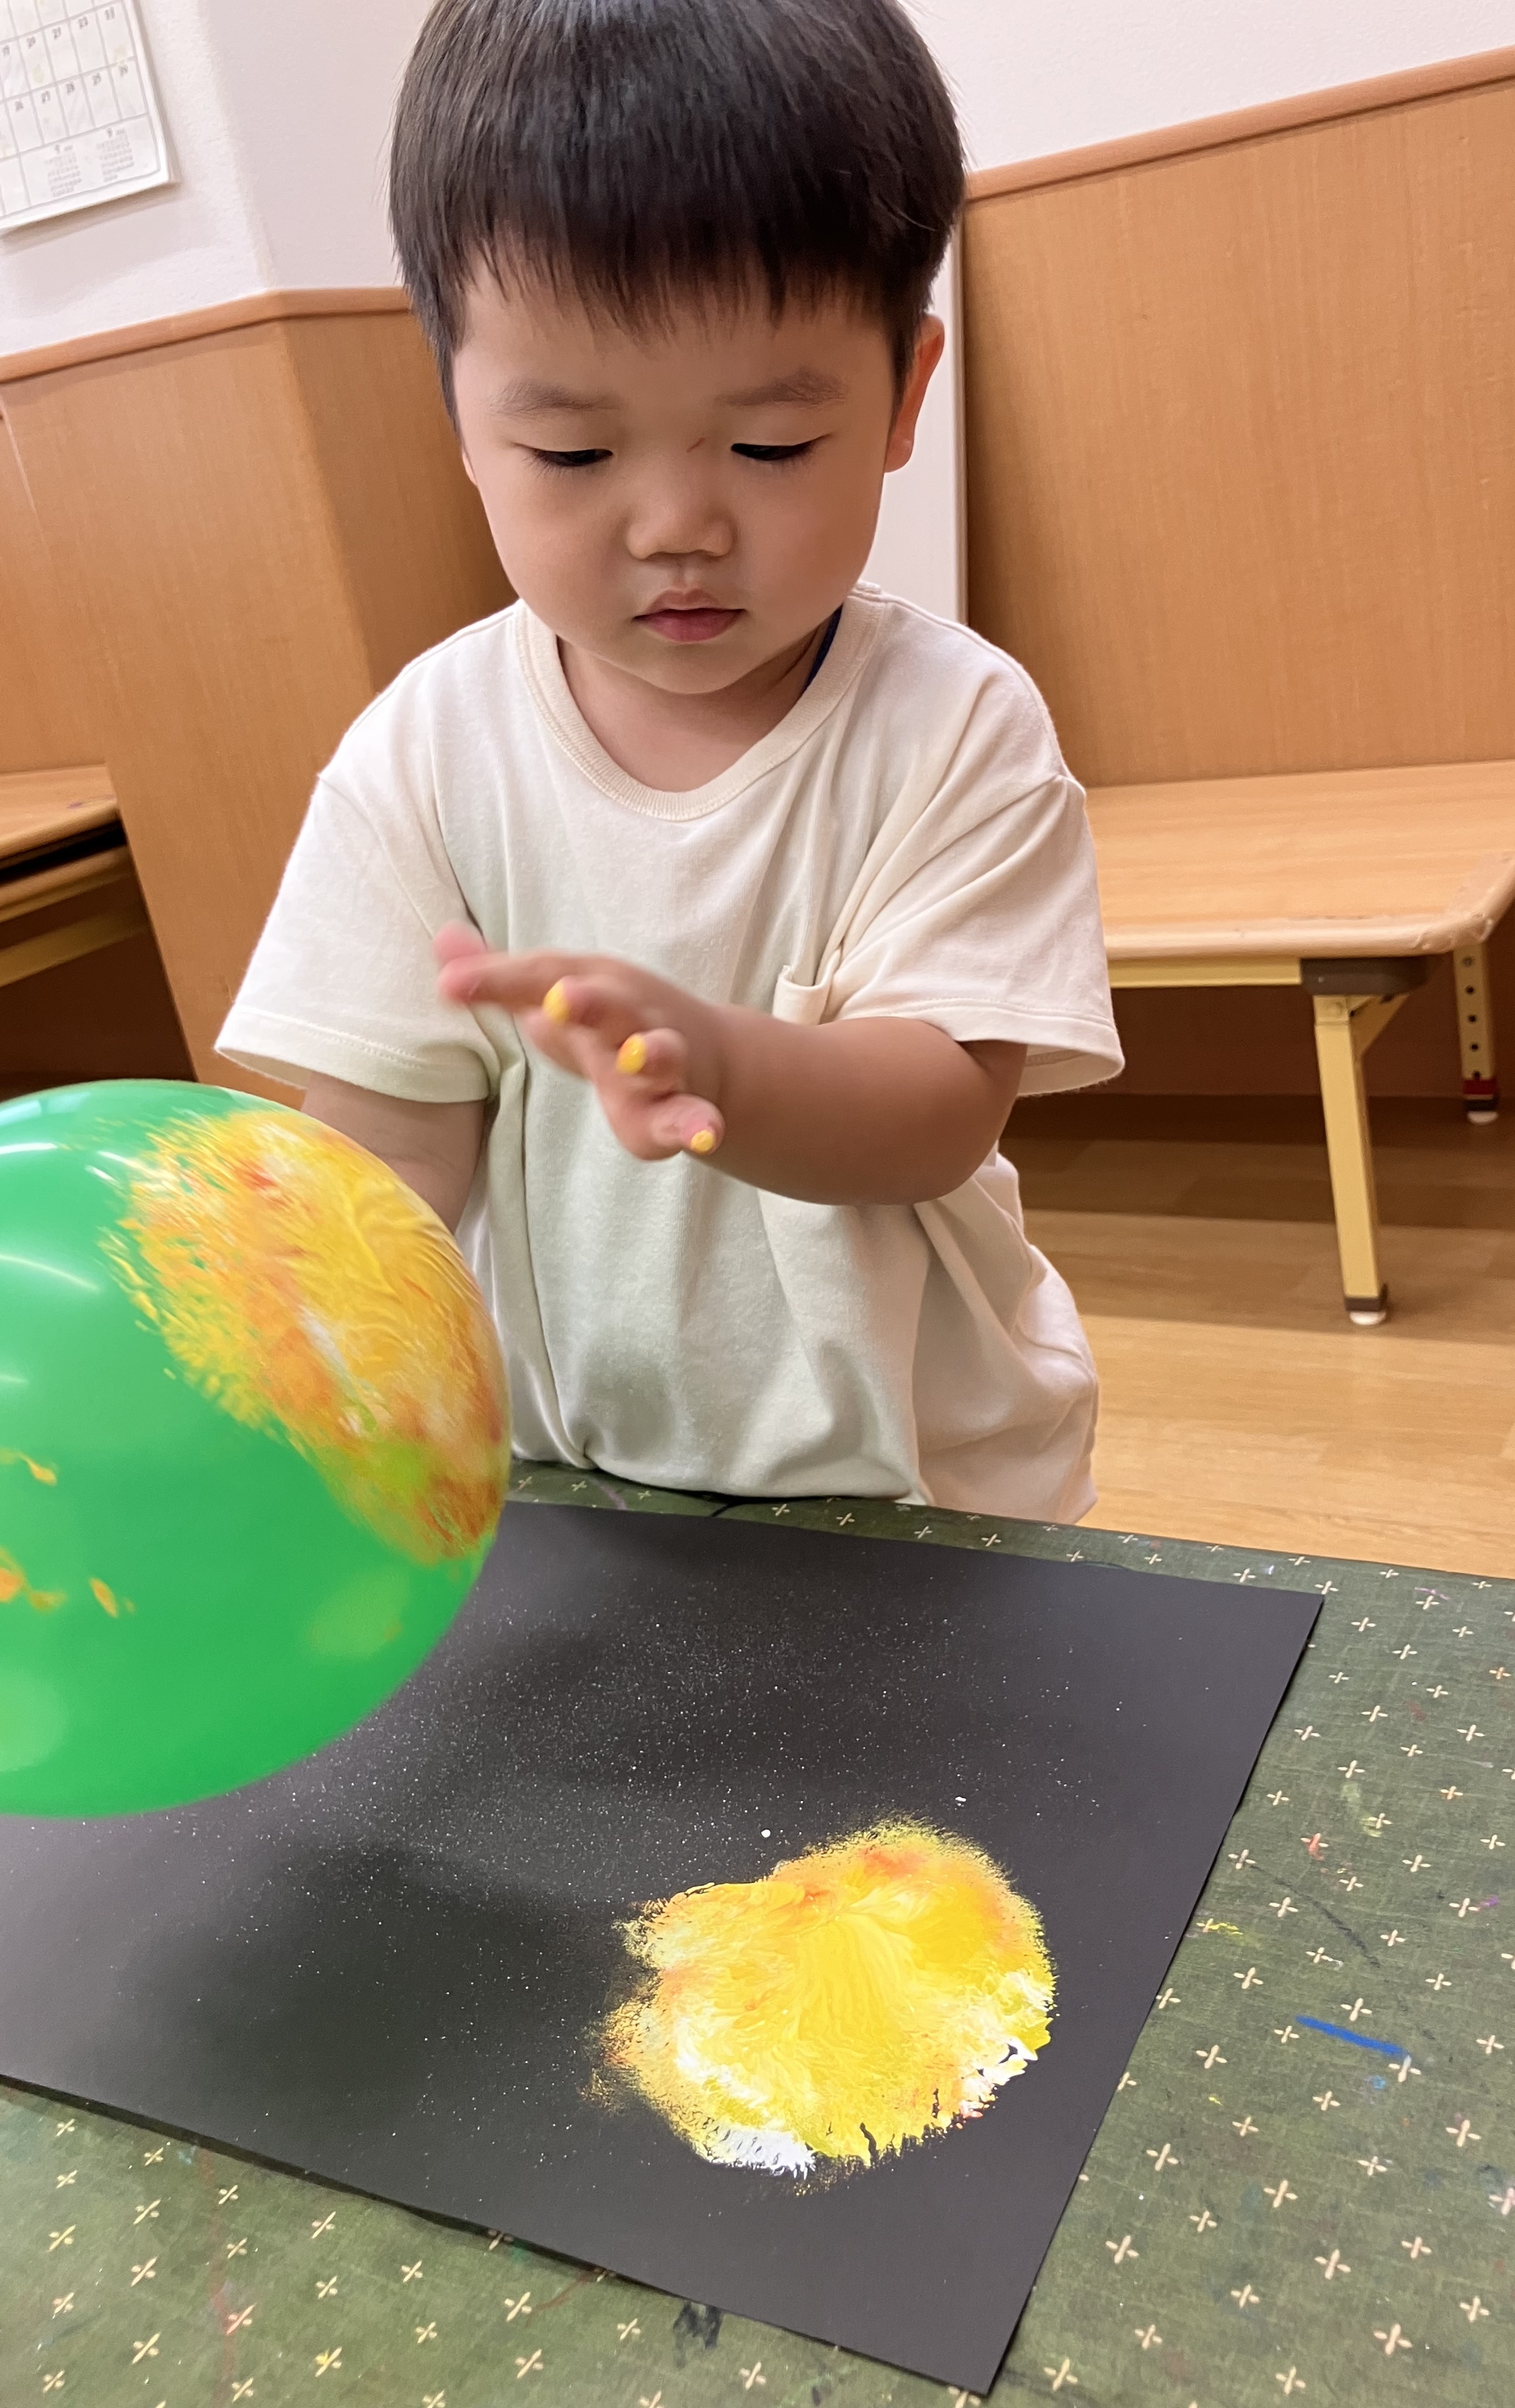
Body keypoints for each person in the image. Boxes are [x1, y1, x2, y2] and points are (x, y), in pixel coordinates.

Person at [219, 0, 1123, 1519]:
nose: (677, 527)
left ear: (905, 396)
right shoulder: (421, 755)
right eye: (574, 454)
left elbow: (937, 1114)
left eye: (769, 447)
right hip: (581, 1481)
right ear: (461, 421)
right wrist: (304, 1352)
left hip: (928, 1491)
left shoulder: (957, 725)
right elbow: (388, 1150)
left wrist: (724, 1067)